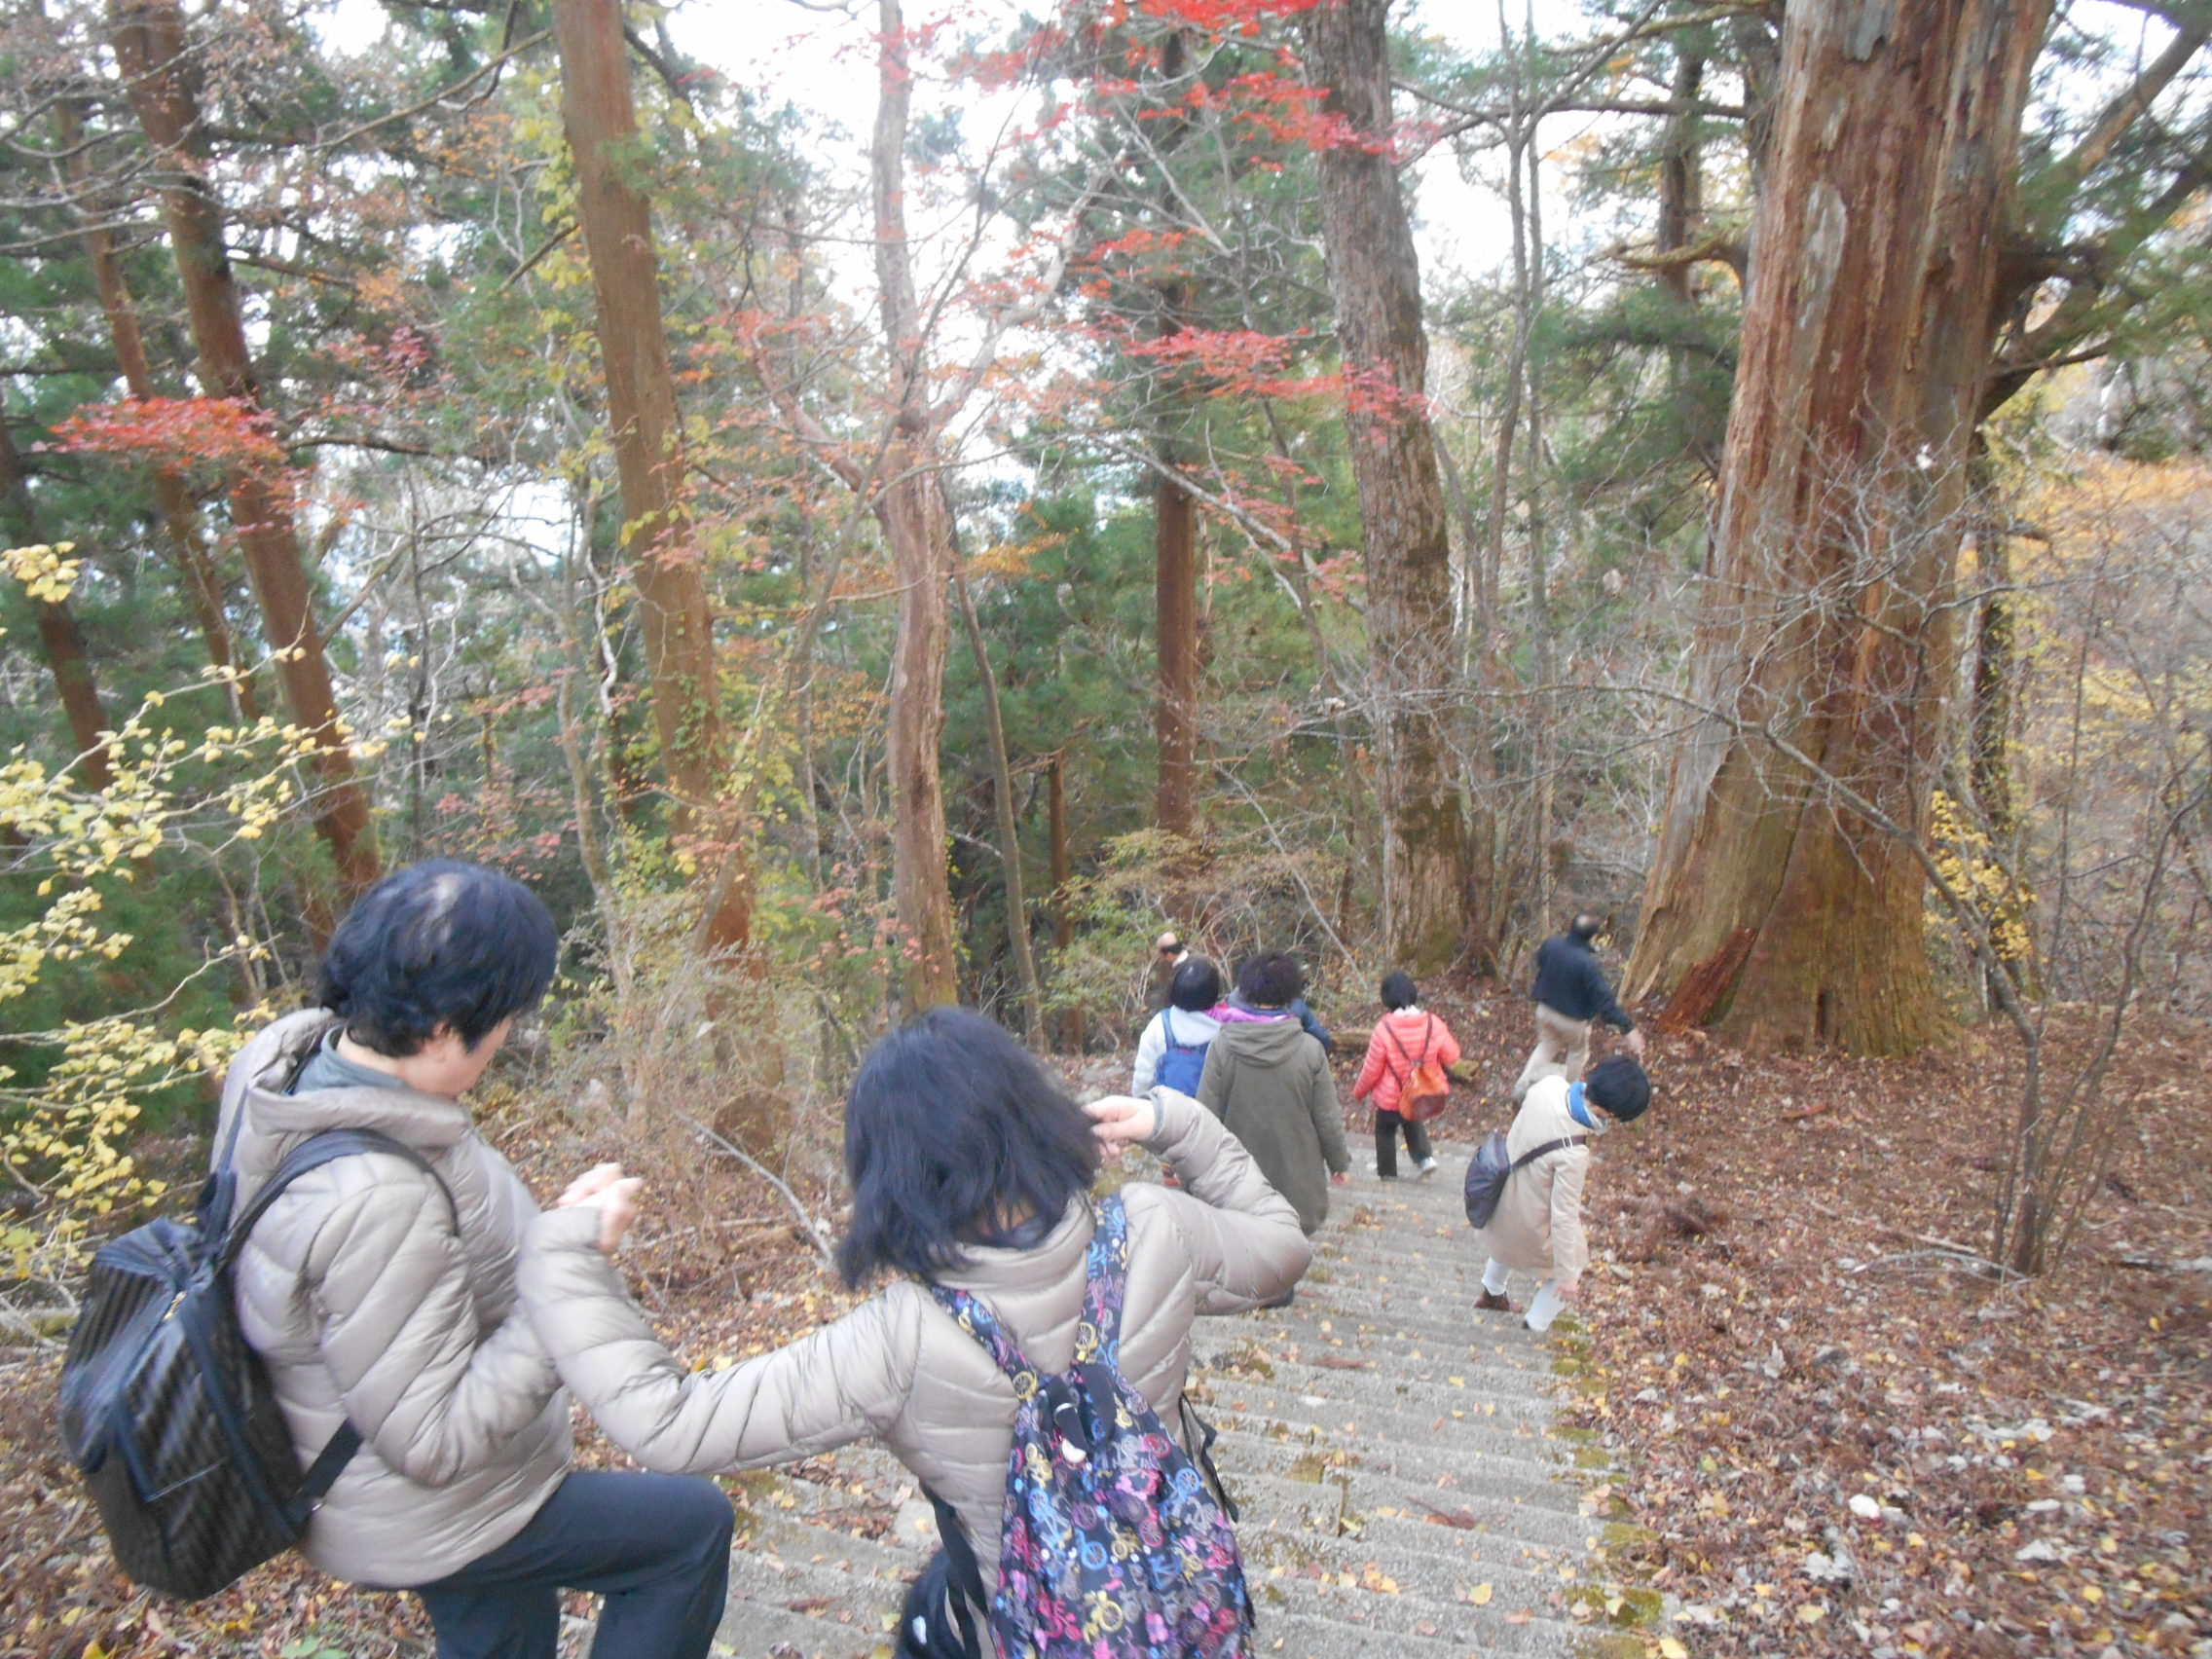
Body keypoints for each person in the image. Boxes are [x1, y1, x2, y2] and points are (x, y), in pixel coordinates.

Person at [515, 1009, 1310, 1622]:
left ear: (890, 1176)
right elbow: (1283, 1248)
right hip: (1176, 1588)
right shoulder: (1153, 1229)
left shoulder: (899, 1337)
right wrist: (1173, 1123)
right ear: (1032, 1108)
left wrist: (565, 1257)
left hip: (1019, 1619)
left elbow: (671, 1424)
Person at [215, 861, 734, 1659]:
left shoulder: (288, 1065)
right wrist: (572, 1257)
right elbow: (434, 1439)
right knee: (687, 1533)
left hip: (403, 1481)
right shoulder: (374, 1196)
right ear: (437, 1032)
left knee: (503, 1637)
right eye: (502, 1020)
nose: (507, 1036)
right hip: (431, 1509)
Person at [1474, 1055, 1652, 1333]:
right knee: (1574, 1260)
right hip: (1526, 1226)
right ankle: (1535, 1327)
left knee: (1510, 1239)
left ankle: (1492, 1292)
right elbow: (1563, 1217)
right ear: (1611, 1114)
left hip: (1499, 1201)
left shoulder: (1549, 1086)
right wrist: (1568, 1276)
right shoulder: (1573, 1154)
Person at [1198, 953, 1350, 1236]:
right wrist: (1338, 1163)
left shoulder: (1223, 1046)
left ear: (1246, 990)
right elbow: (1327, 1117)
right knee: (1284, 1257)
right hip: (1296, 1183)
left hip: (1235, 1183)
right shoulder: (1310, 1050)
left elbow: (1205, 1114)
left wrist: (1191, 1173)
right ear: (1291, 995)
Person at [1514, 912, 1646, 1102]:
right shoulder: (1587, 965)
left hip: (1544, 1011)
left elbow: (1540, 962)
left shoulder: (1551, 944)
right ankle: (1565, 1098)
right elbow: (1605, 1001)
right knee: (1578, 1053)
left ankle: (1523, 1086)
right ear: (1592, 937)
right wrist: (1628, 1028)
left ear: (1572, 927)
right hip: (1572, 1023)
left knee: (1547, 1045)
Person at [1350, 971, 1460, 1180]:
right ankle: (1425, 1158)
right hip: (1421, 1091)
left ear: (1386, 998)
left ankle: (1387, 1171)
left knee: (1385, 1130)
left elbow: (1371, 1069)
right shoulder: (1433, 1024)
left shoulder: (1383, 1030)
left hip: (1390, 1097)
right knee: (1412, 1117)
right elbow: (1453, 1056)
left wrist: (1359, 1092)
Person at [1131, 955, 1224, 1095]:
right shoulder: (1222, 1031)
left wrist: (1138, 1101)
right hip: (1206, 1113)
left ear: (1174, 988)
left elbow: (1143, 1076)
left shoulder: (1159, 1025)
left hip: (1167, 1111)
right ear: (1214, 992)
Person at [1146, 930, 1192, 1011]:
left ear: (1169, 956)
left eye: (1160, 953)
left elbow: (1170, 1009)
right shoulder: (1203, 959)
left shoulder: (1176, 978)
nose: (1159, 956)